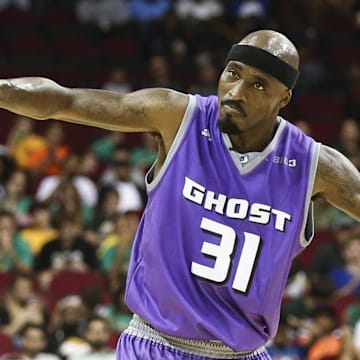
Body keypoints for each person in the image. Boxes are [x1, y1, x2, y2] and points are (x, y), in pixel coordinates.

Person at [0, 29, 359, 360]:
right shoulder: (178, 117)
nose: (236, 92)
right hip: (158, 345)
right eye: (232, 73)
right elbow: (64, 101)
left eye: (258, 85)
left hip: (243, 352)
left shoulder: (314, 165)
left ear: (284, 98)